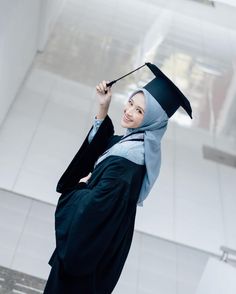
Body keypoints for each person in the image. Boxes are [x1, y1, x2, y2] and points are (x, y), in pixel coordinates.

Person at [43, 63, 192, 294]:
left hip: (89, 248)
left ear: (153, 119)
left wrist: (80, 187)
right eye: (131, 102)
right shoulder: (139, 144)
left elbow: (92, 209)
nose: (129, 111)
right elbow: (108, 143)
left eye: (140, 111)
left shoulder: (127, 165)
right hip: (102, 242)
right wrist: (103, 107)